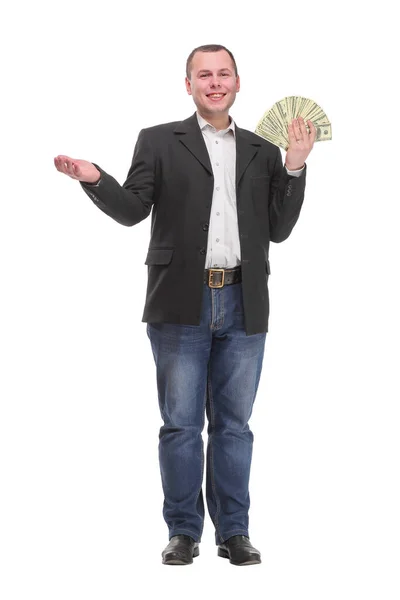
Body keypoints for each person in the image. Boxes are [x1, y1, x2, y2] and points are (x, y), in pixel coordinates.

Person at [54, 43, 316, 566]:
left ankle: (234, 532)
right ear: (189, 85)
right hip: (179, 301)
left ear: (238, 83)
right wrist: (95, 179)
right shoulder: (158, 141)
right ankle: (183, 532)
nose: (214, 82)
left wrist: (294, 166)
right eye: (203, 75)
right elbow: (132, 210)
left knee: (234, 426)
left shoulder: (265, 151)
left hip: (245, 301)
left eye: (223, 74)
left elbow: (280, 231)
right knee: (179, 424)